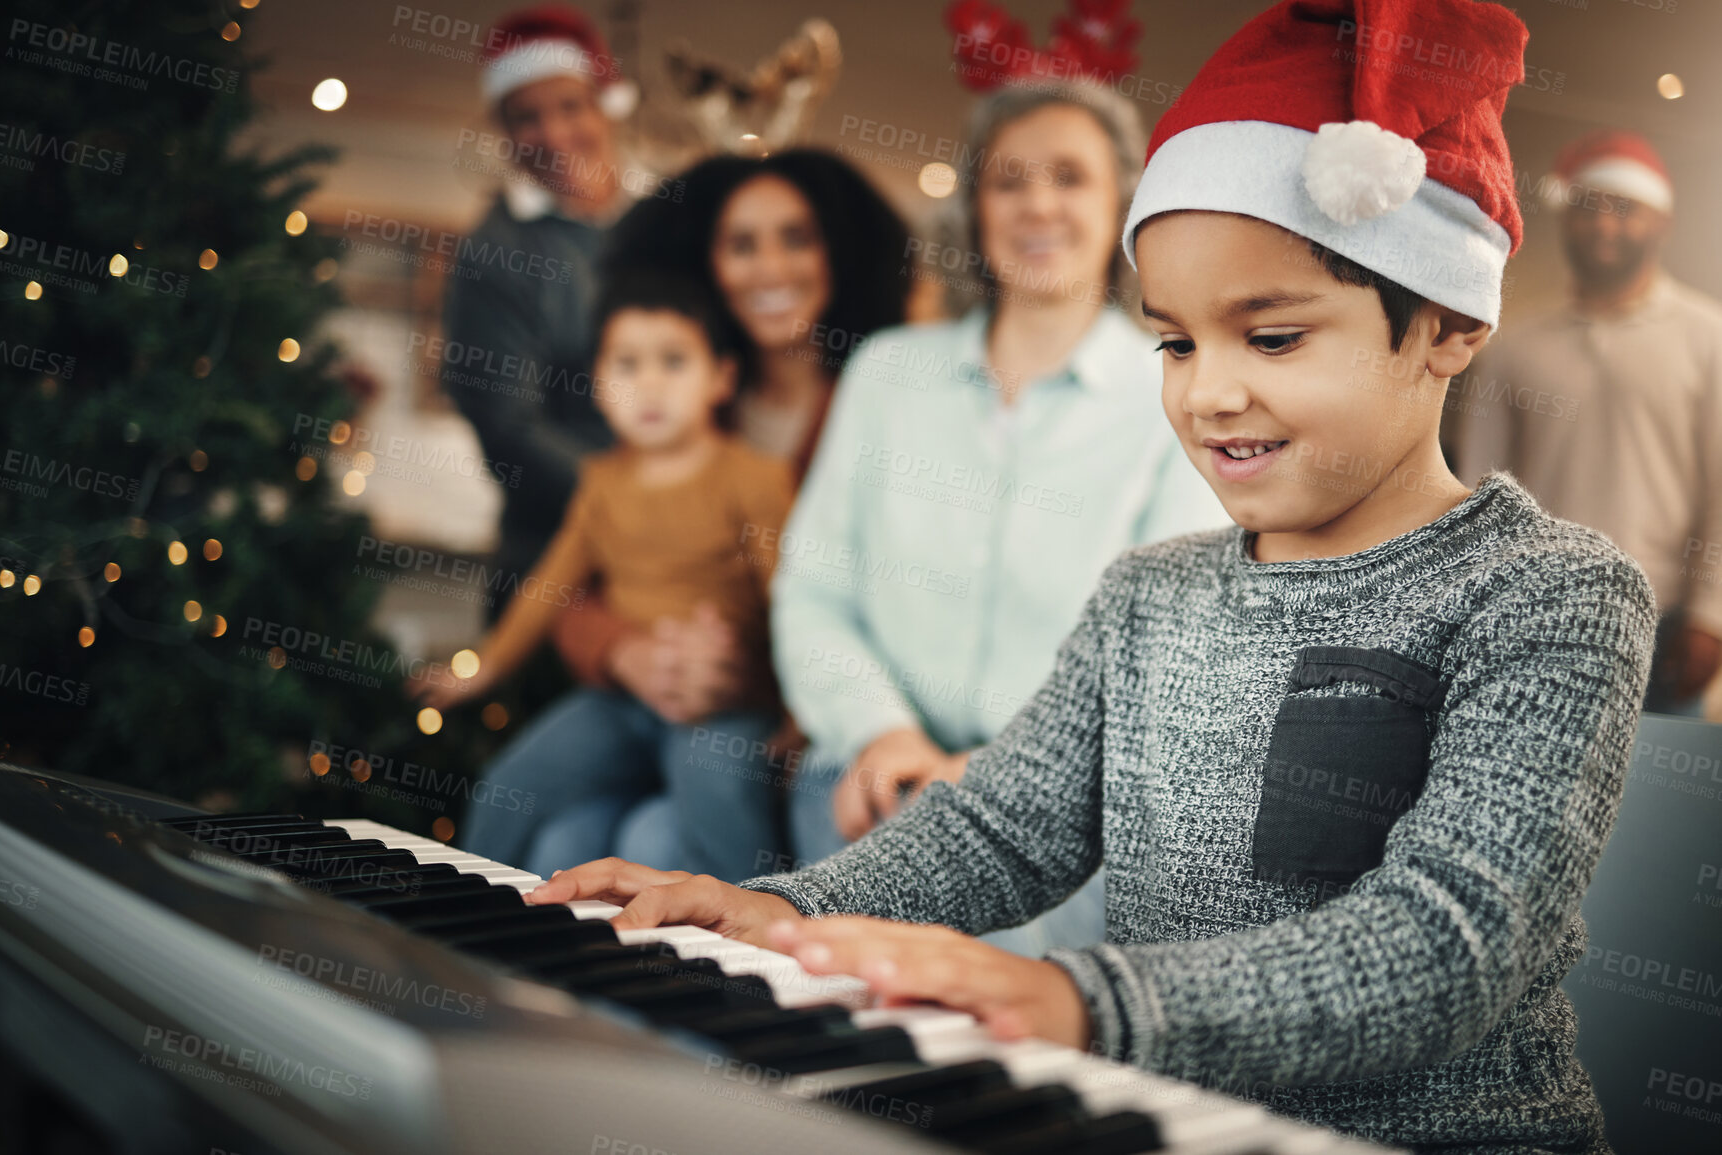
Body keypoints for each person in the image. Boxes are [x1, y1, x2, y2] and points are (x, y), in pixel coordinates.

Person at [525, 2, 1659, 1151]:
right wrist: (784, 906)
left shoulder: (1548, 594)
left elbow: (1448, 946)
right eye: (1174, 341)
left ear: (1449, 324)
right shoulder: (1148, 595)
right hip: (1166, 1119)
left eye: (1271, 339)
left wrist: (1084, 1002)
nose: (1207, 393)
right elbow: (1003, 832)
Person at [773, 79, 1230, 956]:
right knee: (835, 993)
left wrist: (995, 775)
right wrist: (884, 733)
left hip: (1065, 799)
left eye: (1069, 177)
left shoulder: (1176, 391)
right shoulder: (885, 374)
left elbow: (1164, 643)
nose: (1038, 205)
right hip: (869, 770)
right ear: (976, 207)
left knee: (991, 1017)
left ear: (1121, 208)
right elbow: (813, 595)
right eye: (1009, 180)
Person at [417, 270, 795, 881]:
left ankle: (755, 936)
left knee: (718, 793)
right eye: (627, 364)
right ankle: (467, 924)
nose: (648, 384)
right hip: (621, 700)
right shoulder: (602, 484)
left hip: (719, 706)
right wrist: (482, 668)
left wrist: (798, 716)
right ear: (598, 384)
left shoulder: (754, 478)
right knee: (507, 786)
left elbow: (795, 603)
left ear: (721, 378)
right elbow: (549, 587)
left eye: (672, 362)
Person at [548, 152, 912, 743]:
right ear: (708, 263)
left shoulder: (883, 406)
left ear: (837, 254)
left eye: (796, 239)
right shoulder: (674, 402)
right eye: (741, 245)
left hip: (816, 733)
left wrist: (753, 682)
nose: (770, 268)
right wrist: (625, 653)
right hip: (657, 712)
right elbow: (579, 580)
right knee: (566, 836)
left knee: (652, 839)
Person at [1449, 128, 1722, 715]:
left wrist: (1712, 616)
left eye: (1625, 209)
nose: (1605, 226)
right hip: (1532, 620)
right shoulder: (1513, 346)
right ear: (1565, 219)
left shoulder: (1710, 337)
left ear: (1662, 222)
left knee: (1648, 800)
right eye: (1588, 208)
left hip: (1665, 625)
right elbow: (1479, 489)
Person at [442, 4, 639, 599]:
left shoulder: (662, 220)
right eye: (526, 117)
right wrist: (645, 504)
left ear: (605, 106)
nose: (552, 134)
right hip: (555, 564)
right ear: (503, 131)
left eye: (570, 106)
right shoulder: (494, 253)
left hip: (679, 558)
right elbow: (508, 429)